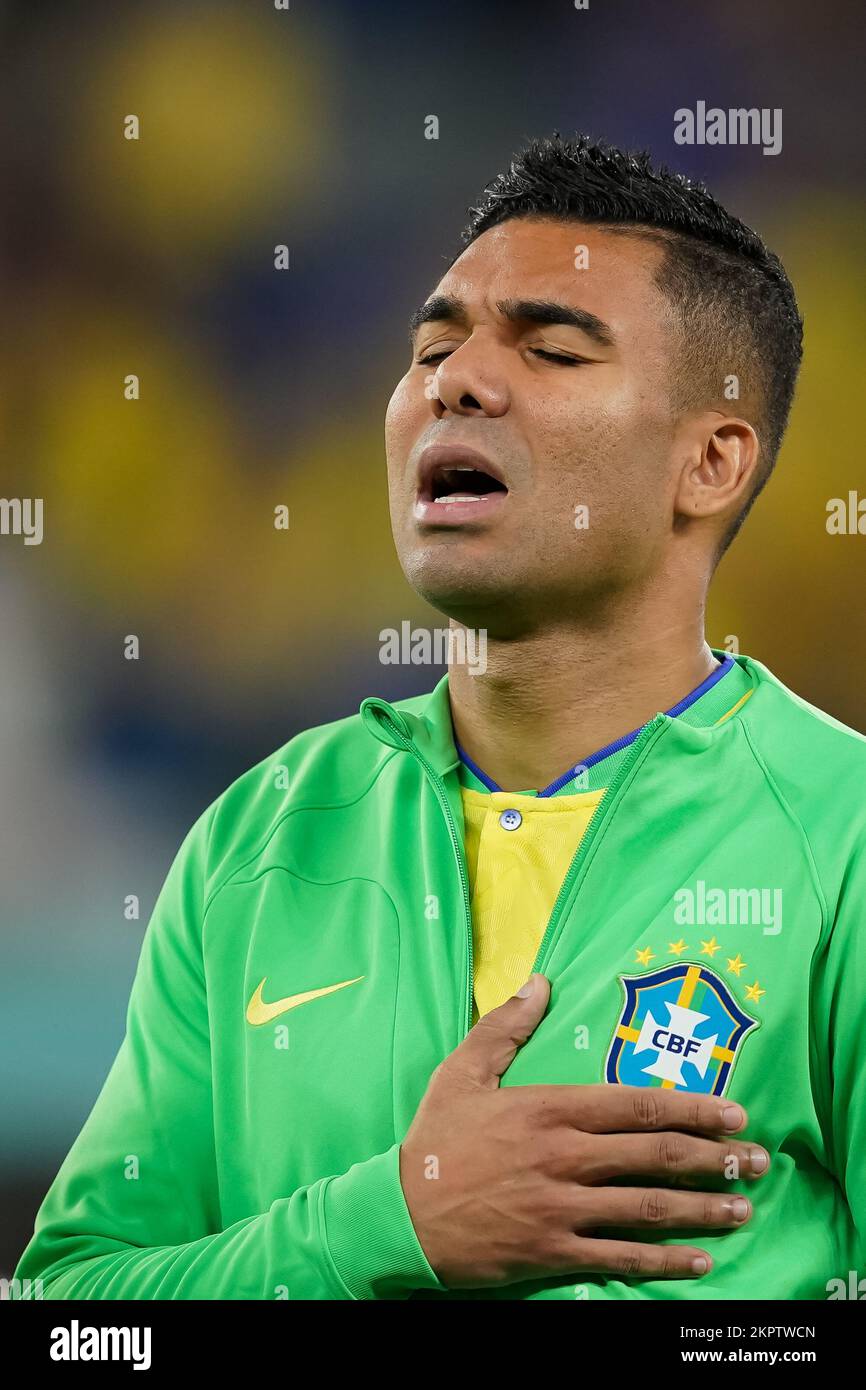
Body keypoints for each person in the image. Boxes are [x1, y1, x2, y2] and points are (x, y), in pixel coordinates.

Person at [14, 134, 865, 1301]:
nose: (451, 381)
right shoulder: (258, 839)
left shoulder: (840, 835)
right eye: (429, 348)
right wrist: (387, 1224)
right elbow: (74, 1316)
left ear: (708, 463)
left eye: (553, 348)